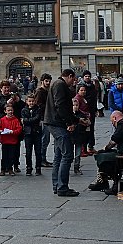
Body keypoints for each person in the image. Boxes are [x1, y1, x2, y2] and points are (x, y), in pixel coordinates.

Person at [44, 69, 82, 197]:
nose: (73, 82)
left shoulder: (57, 84)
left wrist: (76, 120)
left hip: (54, 122)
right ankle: (62, 187)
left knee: (58, 156)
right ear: (69, 76)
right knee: (67, 155)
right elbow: (61, 106)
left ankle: (57, 185)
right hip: (57, 124)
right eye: (73, 79)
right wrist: (69, 123)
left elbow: (65, 108)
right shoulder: (60, 85)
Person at [20, 94, 42, 176]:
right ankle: (28, 167)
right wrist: (29, 121)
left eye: (32, 101)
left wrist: (27, 121)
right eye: (29, 101)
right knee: (28, 152)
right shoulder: (24, 110)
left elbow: (37, 118)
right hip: (28, 133)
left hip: (37, 132)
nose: (31, 103)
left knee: (38, 151)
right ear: (26, 101)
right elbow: (23, 119)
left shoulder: (38, 109)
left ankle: (38, 167)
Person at [0, 105, 22, 176]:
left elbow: (19, 129)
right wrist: (1, 130)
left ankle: (10, 168)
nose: (10, 112)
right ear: (5, 111)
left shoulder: (16, 120)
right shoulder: (2, 119)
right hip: (5, 140)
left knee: (11, 156)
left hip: (13, 140)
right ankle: (3, 169)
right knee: (4, 156)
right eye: (8, 110)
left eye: (11, 110)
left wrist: (13, 132)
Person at [72, 85, 91, 175]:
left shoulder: (81, 114)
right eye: (74, 105)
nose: (75, 107)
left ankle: (76, 167)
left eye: (77, 105)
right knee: (69, 153)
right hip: (71, 136)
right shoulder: (69, 115)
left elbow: (87, 123)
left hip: (79, 136)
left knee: (78, 154)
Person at [34, 74, 53, 168]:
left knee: (46, 139)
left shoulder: (48, 91)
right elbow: (37, 105)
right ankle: (41, 159)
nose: (48, 83)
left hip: (47, 117)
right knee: (44, 139)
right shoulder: (40, 92)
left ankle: (43, 158)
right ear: (42, 81)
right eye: (46, 81)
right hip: (43, 118)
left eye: (49, 81)